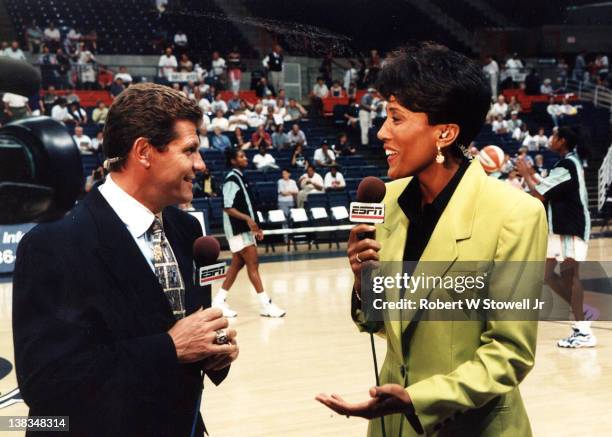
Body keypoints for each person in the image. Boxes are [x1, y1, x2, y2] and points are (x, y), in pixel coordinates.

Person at [315, 42, 547, 436]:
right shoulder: (386, 202)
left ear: (445, 133)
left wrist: (417, 399)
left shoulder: (516, 215)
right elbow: (385, 325)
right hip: (391, 426)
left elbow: (510, 353)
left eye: (397, 119)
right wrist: (362, 283)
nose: (382, 132)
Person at [13, 83, 238, 436]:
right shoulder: (53, 244)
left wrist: (214, 352)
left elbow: (189, 337)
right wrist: (170, 348)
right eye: (190, 150)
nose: (201, 164)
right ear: (145, 152)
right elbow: (46, 384)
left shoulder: (187, 230)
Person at [517, 127, 595, 348]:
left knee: (570, 276)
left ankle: (583, 331)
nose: (551, 140)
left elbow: (539, 194)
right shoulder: (567, 163)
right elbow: (546, 185)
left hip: (571, 226)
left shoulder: (567, 164)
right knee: (547, 274)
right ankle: (582, 311)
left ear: (562, 141)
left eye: (554, 137)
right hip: (561, 227)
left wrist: (525, 174)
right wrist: (531, 173)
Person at [212, 148, 286, 318]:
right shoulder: (231, 179)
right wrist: (248, 220)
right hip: (237, 229)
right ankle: (265, 304)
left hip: (244, 229)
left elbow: (247, 206)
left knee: (237, 264)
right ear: (233, 161)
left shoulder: (240, 177)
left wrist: (255, 227)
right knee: (253, 264)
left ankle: (219, 300)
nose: (246, 158)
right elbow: (227, 206)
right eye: (241, 156)